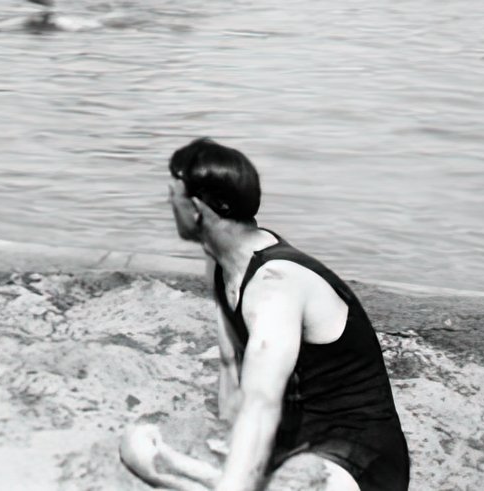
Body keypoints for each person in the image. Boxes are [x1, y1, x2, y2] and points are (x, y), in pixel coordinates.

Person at [121, 138, 410, 491]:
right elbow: (232, 369)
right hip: (285, 440)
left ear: (197, 208)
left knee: (280, 485)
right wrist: (228, 443)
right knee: (139, 445)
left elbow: (261, 402)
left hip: (355, 452)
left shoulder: (276, 284)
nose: (167, 204)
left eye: (172, 196)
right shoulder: (222, 263)